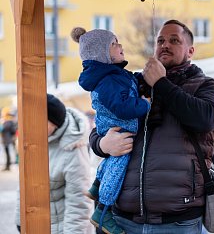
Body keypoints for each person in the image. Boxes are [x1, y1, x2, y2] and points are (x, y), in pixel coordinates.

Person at [90, 19, 214, 234]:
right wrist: (102, 144)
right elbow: (102, 123)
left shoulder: (204, 85)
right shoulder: (133, 84)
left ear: (190, 51)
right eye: (160, 40)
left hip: (178, 220)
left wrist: (161, 84)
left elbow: (206, 119)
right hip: (123, 218)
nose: (165, 45)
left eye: (174, 40)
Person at [71, 27, 150, 234]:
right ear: (102, 53)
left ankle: (97, 185)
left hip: (114, 128)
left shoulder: (112, 75)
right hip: (118, 128)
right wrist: (145, 105)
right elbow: (122, 107)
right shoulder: (108, 80)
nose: (120, 45)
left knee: (112, 162)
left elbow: (129, 82)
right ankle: (103, 213)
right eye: (114, 43)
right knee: (118, 164)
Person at [15, 94, 93, 233]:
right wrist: (20, 220)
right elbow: (23, 186)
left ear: (54, 123)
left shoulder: (73, 149)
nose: (33, 125)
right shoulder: (33, 142)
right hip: (37, 226)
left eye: (39, 120)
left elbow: (79, 204)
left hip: (62, 229)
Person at [0, 107, 17, 171]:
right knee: (6, 153)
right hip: (6, 139)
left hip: (8, 140)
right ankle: (7, 165)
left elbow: (11, 130)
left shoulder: (9, 122)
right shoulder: (6, 121)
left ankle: (8, 166)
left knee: (8, 153)